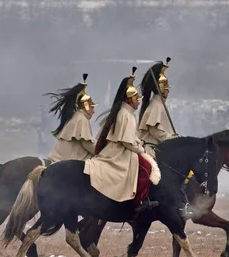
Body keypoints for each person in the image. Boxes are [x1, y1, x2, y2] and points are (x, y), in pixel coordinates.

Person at [84, 67, 159, 213]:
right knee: (146, 167)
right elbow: (127, 142)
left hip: (117, 148)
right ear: (130, 100)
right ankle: (140, 201)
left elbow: (130, 137)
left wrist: (138, 142)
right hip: (120, 152)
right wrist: (141, 149)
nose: (138, 102)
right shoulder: (126, 115)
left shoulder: (123, 112)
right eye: (136, 99)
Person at [47, 74, 96, 162]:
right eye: (92, 107)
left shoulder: (76, 115)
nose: (93, 111)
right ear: (86, 106)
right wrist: (100, 153)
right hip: (67, 161)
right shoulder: (82, 119)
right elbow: (87, 143)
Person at [138, 57, 177, 158]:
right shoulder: (156, 105)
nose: (168, 91)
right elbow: (155, 130)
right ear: (162, 89)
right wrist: (173, 139)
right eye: (167, 88)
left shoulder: (159, 104)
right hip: (151, 152)